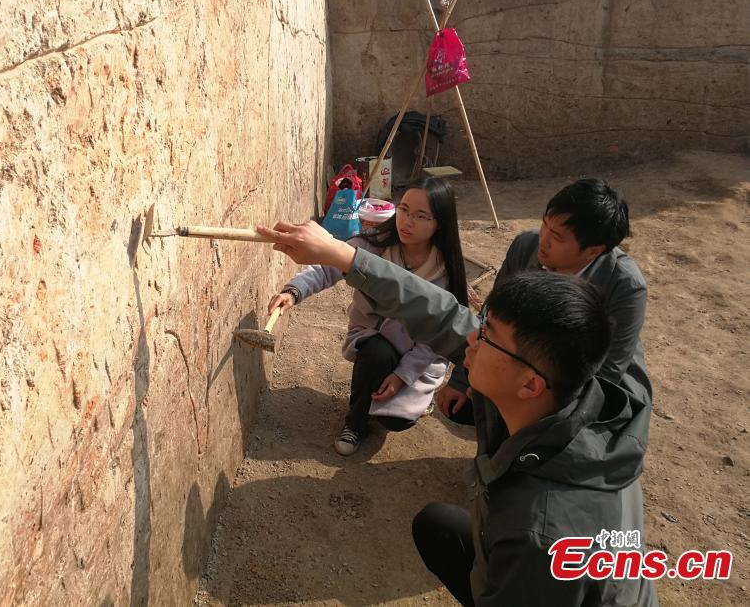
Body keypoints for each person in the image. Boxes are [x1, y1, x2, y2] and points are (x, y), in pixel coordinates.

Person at [256, 220, 657, 606]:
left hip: (540, 574)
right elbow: (442, 313)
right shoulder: (573, 392)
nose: (470, 337)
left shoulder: (539, 533)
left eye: (487, 336)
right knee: (437, 526)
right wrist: (342, 255)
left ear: (530, 384)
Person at [267, 177, 469, 456]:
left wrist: (401, 376)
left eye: (421, 216)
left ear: (440, 224)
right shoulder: (374, 246)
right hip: (373, 339)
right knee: (376, 352)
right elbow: (327, 267)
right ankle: (355, 423)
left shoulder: (445, 273)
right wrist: (294, 291)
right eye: (404, 210)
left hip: (417, 356)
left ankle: (410, 400)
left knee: (394, 421)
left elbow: (433, 342)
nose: (407, 222)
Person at [437, 177, 648, 424]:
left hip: (573, 381)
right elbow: (492, 315)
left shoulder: (624, 286)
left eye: (557, 237)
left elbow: (608, 370)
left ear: (593, 251)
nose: (543, 239)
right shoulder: (525, 247)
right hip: (526, 359)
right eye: (545, 224)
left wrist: (536, 404)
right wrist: (463, 379)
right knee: (471, 407)